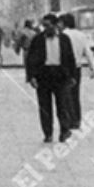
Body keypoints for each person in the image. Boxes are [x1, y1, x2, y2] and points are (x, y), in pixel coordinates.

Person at [24, 13, 77, 143]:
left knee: (62, 105)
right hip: (44, 75)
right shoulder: (38, 40)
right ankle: (48, 133)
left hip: (60, 75)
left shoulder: (64, 39)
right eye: (44, 26)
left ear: (55, 25)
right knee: (44, 107)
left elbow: (70, 58)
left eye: (48, 25)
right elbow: (30, 59)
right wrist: (31, 77)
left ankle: (64, 131)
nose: (45, 28)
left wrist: (72, 76)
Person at [61, 12, 93, 127]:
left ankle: (69, 119)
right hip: (76, 68)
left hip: (64, 68)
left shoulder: (62, 35)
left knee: (64, 95)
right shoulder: (81, 35)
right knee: (75, 94)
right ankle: (77, 119)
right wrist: (92, 67)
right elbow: (88, 52)